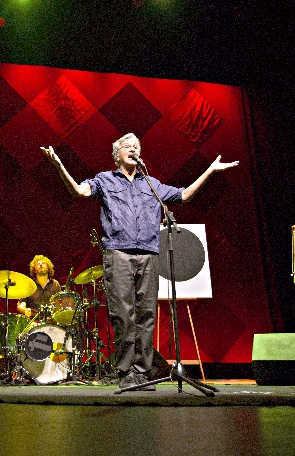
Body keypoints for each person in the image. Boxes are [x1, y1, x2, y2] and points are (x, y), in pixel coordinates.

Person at [41, 133, 238, 390]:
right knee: (123, 314)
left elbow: (184, 195)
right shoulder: (105, 180)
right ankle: (126, 373)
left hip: (148, 253)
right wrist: (58, 164)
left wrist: (210, 170)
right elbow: (79, 190)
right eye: (127, 146)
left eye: (136, 147)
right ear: (117, 154)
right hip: (118, 253)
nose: (133, 149)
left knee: (146, 315)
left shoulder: (151, 184)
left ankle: (143, 374)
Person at [17, 255, 60, 320]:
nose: (41, 265)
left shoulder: (55, 284)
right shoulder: (29, 285)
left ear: (48, 268)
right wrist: (25, 310)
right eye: (38, 264)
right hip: (33, 322)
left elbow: (59, 304)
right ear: (34, 269)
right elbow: (20, 305)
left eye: (43, 263)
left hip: (51, 321)